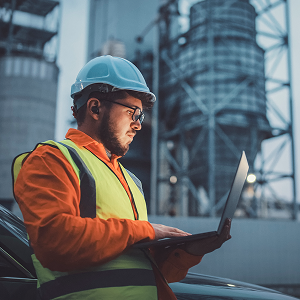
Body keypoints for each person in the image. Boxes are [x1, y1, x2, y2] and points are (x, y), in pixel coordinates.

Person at [13, 55, 231, 300]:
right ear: (95, 108)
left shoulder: (130, 181)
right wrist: (145, 231)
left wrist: (189, 252)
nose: (138, 125)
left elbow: (136, 270)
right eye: (132, 113)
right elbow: (55, 242)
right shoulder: (51, 160)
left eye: (140, 116)